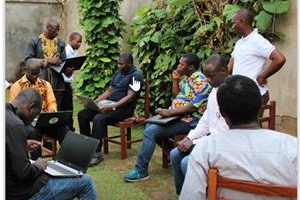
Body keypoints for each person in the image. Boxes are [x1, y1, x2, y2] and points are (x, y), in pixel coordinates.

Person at [179, 75, 297, 200]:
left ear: (222, 114)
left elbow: (191, 196)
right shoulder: (293, 146)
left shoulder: (205, 150)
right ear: (260, 107)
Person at [123, 53, 211, 182]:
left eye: (182, 64)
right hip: (177, 116)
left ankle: (141, 170)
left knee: (150, 131)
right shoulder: (187, 79)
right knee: (149, 125)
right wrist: (175, 80)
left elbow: (192, 107)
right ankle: (171, 152)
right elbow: (177, 97)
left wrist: (169, 113)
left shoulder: (201, 82)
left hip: (190, 120)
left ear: (191, 67)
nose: (178, 66)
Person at [6, 88, 97, 200]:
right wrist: (38, 165)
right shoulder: (16, 125)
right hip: (21, 193)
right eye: (34, 116)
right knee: (86, 182)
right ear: (30, 107)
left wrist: (22, 144)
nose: (32, 121)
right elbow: (24, 173)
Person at [170, 54, 229, 195]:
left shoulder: (231, 93)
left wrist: (196, 141)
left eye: (211, 76)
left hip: (223, 145)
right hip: (210, 140)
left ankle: (201, 195)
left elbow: (224, 132)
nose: (207, 80)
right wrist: (190, 138)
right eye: (206, 76)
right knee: (175, 154)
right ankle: (182, 194)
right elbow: (206, 122)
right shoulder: (214, 91)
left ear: (224, 71)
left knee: (186, 163)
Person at [78, 52, 144, 166]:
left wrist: (113, 106)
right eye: (118, 63)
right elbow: (109, 91)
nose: (118, 66)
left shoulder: (136, 76)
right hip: (110, 105)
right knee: (82, 114)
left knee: (98, 118)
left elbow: (129, 97)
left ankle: (97, 153)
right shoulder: (118, 73)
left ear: (129, 64)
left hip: (124, 109)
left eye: (121, 64)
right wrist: (95, 102)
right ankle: (87, 147)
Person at [9, 58, 68, 159]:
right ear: (25, 70)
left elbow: (52, 103)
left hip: (44, 120)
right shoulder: (17, 86)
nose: (35, 77)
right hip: (27, 123)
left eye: (37, 73)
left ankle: (67, 160)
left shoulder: (46, 84)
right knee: (34, 132)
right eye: (32, 74)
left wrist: (51, 111)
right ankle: (36, 162)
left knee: (63, 129)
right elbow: (14, 110)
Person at [228, 8, 286, 105]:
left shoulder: (257, 41)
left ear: (242, 21)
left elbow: (280, 59)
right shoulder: (239, 42)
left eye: (234, 23)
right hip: (239, 94)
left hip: (253, 94)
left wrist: (262, 76)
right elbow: (229, 67)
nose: (232, 27)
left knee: (244, 119)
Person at [25, 18, 66, 110]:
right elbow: (28, 60)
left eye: (59, 29)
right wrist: (47, 61)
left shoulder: (61, 43)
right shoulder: (35, 41)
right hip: (39, 80)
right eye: (56, 29)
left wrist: (68, 70)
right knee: (38, 108)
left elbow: (64, 61)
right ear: (48, 28)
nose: (58, 32)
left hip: (57, 83)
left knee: (56, 109)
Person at [61, 32, 83, 131]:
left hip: (67, 83)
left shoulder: (73, 52)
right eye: (78, 42)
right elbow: (62, 70)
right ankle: (68, 129)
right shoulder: (66, 52)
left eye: (80, 42)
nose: (79, 44)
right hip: (62, 84)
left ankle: (70, 129)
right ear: (71, 40)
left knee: (69, 108)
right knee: (66, 108)